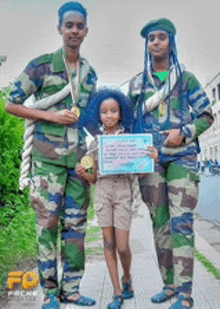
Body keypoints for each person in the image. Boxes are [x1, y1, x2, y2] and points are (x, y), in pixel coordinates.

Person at [6, 2, 97, 308]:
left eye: (79, 26)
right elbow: (11, 104)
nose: (74, 31)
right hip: (47, 163)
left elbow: (91, 117)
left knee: (76, 228)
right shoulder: (41, 66)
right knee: (47, 227)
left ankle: (71, 289)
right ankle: (49, 294)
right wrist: (52, 118)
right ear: (60, 28)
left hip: (78, 166)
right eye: (69, 25)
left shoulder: (90, 74)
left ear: (86, 31)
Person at [128, 18, 213, 309]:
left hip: (182, 157)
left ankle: (186, 293)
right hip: (149, 160)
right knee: (160, 224)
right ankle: (169, 285)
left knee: (182, 223)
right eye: (151, 38)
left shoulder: (186, 79)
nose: (155, 42)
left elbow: (206, 115)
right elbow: (126, 123)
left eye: (161, 37)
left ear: (171, 42)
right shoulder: (138, 84)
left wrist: (185, 132)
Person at [76, 88, 158, 309]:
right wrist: (85, 174)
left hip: (123, 193)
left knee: (122, 246)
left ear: (121, 113)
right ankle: (116, 292)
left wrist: (152, 159)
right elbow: (93, 179)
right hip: (102, 192)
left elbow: (140, 172)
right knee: (108, 243)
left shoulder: (132, 141)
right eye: (104, 111)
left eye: (114, 110)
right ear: (98, 115)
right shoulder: (95, 144)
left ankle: (127, 276)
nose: (109, 115)